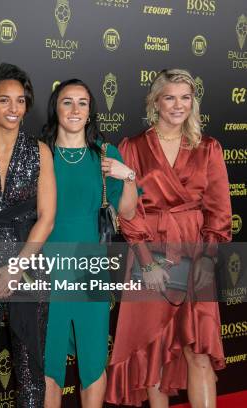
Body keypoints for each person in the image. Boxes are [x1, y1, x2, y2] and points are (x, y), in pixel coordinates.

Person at [106, 69, 231, 407]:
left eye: (186, 97)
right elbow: (127, 212)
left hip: (195, 252)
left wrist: (207, 257)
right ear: (156, 102)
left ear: (193, 103)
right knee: (154, 353)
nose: (178, 105)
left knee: (199, 351)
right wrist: (147, 263)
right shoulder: (131, 147)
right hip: (150, 251)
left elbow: (219, 213)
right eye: (170, 97)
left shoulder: (209, 148)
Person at [41, 79, 138, 408]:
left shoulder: (106, 153)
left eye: (82, 102)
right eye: (67, 101)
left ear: (90, 110)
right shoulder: (39, 151)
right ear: (55, 106)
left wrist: (128, 176)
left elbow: (127, 211)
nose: (75, 109)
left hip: (90, 266)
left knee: (94, 361)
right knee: (48, 362)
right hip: (45, 266)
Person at [0, 63, 56, 407]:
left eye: (20, 101)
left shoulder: (40, 151)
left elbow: (46, 219)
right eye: (4, 100)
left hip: (29, 264)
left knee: (31, 369)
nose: (13, 109)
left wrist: (16, 268)